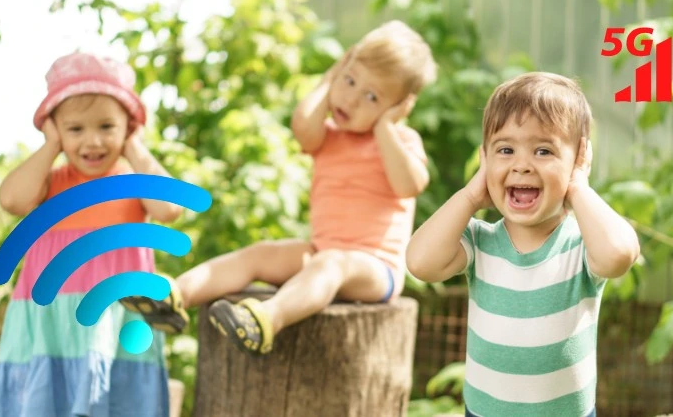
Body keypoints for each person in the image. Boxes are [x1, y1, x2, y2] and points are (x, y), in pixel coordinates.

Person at [121, 20, 437, 355]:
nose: (351, 99)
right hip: (319, 253)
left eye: (372, 96)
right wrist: (328, 80)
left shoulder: (400, 140)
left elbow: (410, 185)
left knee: (332, 263)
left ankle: (268, 320)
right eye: (350, 80)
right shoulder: (328, 136)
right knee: (260, 255)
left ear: (400, 106)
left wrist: (387, 126)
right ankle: (174, 295)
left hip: (374, 268)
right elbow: (302, 126)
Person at [406, 72, 641, 417]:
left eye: (543, 150)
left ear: (577, 160)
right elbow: (420, 263)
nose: (521, 165)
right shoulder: (480, 241)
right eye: (505, 149)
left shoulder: (580, 246)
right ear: (485, 159)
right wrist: (472, 194)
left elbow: (620, 255)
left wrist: (578, 188)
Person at [0, 52, 182, 417]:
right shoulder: (49, 185)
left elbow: (170, 208)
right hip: (53, 329)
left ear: (129, 127)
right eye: (75, 129)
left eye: (107, 127)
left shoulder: (134, 184)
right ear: (55, 128)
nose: (93, 142)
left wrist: (134, 148)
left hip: (115, 325)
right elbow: (11, 199)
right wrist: (51, 146)